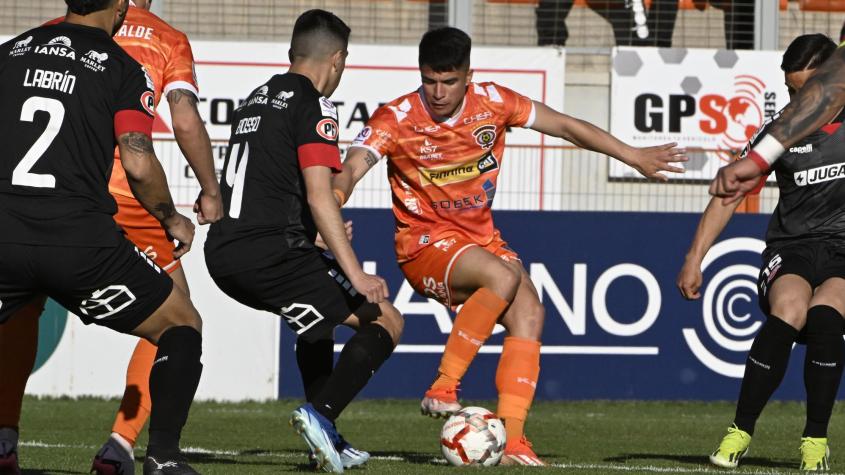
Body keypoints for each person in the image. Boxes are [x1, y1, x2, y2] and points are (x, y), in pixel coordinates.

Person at [332, 26, 686, 466]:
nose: (438, 92)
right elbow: (350, 168)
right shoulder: (396, 117)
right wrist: (334, 201)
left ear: (469, 75)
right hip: (422, 246)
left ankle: (513, 439)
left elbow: (567, 126)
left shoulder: (494, 102)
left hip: (480, 242)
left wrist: (632, 156)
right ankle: (444, 386)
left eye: (449, 81)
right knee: (504, 275)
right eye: (429, 81)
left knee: (530, 312)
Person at [0, 1, 221, 474]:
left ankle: (3, 440)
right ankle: (146, 454)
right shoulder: (134, 60)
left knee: (22, 311)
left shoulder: (13, 50)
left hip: (7, 231)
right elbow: (141, 160)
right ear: (120, 6)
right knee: (181, 324)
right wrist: (172, 215)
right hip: (87, 234)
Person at [203, 9, 404, 474]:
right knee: (387, 320)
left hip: (226, 253)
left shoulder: (255, 99)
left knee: (317, 321)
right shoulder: (314, 104)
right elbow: (319, 193)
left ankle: (326, 437)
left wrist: (312, 233)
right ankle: (320, 415)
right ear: (336, 60)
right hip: (268, 253)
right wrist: (355, 271)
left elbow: (269, 187)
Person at [678, 34, 842, 471]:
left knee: (827, 316)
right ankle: (740, 431)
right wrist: (695, 257)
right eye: (791, 91)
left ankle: (815, 440)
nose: (797, 101)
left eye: (806, 91)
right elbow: (730, 194)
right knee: (789, 308)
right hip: (792, 247)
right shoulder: (779, 133)